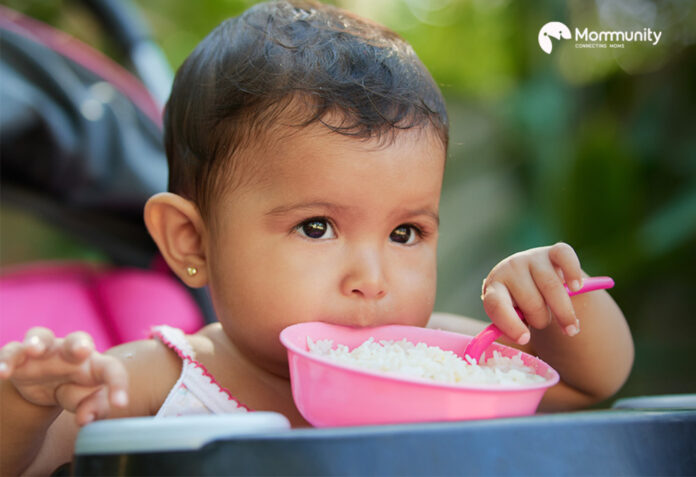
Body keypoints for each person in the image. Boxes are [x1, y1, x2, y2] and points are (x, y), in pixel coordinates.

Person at [0, 1, 634, 474]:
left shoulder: (447, 363)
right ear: (191, 242)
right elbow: (24, 464)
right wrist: (29, 403)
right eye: (317, 227)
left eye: (406, 232)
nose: (371, 278)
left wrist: (559, 302)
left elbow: (590, 384)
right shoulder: (159, 379)